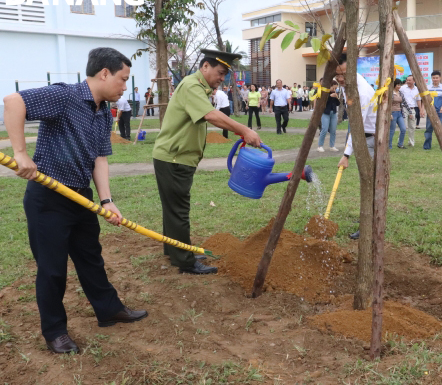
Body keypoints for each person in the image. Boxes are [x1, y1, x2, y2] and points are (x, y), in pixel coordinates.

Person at [2, 47, 148, 354]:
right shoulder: (66, 96)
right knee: (53, 268)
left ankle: (109, 310)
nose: (124, 87)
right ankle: (55, 331)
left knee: (90, 256)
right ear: (104, 73)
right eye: (122, 79)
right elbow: (14, 101)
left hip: (80, 197)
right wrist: (20, 153)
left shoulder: (101, 113)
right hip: (49, 198)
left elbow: (99, 158)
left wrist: (107, 200)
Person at [152, 49, 261, 275]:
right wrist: (244, 130)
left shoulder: (199, 87)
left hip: (175, 156)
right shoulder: (192, 86)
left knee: (173, 208)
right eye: (220, 73)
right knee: (179, 210)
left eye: (224, 75)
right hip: (174, 158)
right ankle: (184, 261)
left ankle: (175, 250)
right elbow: (211, 115)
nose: (222, 79)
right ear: (205, 67)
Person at [335, 54, 376, 240]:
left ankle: (369, 226)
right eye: (337, 75)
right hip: (361, 136)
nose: (340, 79)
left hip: (371, 139)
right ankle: (367, 222)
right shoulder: (347, 86)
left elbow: (357, 125)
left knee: (369, 182)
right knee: (366, 181)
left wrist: (346, 154)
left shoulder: (363, 92)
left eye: (343, 74)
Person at [423, 70, 442, 150]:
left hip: (440, 111)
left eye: (437, 78)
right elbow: (424, 99)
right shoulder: (428, 87)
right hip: (431, 112)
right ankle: (427, 146)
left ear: (440, 78)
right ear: (431, 78)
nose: (435, 79)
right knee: (428, 129)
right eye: (433, 78)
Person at [318, 80, 340, 152]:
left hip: (333, 113)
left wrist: (336, 97)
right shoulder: (324, 93)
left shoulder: (335, 94)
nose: (334, 90)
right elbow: (323, 102)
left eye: (336, 88)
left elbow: (338, 104)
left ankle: (332, 146)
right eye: (333, 88)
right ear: (330, 86)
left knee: (333, 130)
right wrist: (330, 96)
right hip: (325, 113)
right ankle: (320, 146)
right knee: (324, 129)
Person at [399, 75, 420, 147]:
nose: (408, 81)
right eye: (407, 80)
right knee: (403, 126)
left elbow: (418, 100)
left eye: (409, 80)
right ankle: (400, 141)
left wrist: (421, 110)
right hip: (404, 108)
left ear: (414, 81)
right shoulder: (402, 88)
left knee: (412, 126)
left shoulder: (416, 89)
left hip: (412, 109)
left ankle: (411, 141)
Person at [389, 79, 407, 149]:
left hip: (400, 113)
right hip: (393, 113)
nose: (399, 86)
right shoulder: (391, 93)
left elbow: (405, 103)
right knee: (392, 130)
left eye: (400, 85)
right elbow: (388, 104)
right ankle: (389, 146)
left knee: (403, 129)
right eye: (398, 85)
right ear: (394, 85)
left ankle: (400, 144)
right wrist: (389, 114)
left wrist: (410, 112)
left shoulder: (400, 93)